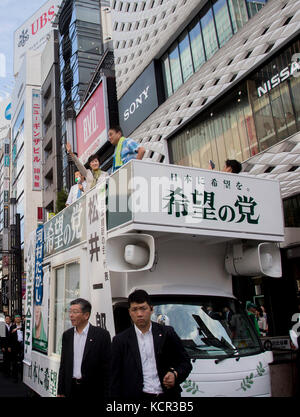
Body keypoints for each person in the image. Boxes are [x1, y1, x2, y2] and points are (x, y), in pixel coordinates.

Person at [110, 289, 192, 399]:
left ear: (151, 309)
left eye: (143, 308)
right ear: (129, 312)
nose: (139, 314)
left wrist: (175, 374)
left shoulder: (167, 333)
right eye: (135, 310)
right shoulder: (120, 340)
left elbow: (185, 362)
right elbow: (114, 378)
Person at [57, 298, 111, 398]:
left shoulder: (101, 335)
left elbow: (107, 368)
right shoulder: (67, 335)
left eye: (75, 312)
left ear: (86, 315)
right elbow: (63, 365)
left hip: (92, 389)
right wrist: (60, 390)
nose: (71, 315)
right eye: (70, 312)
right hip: (71, 388)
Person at [10, 314, 24, 383]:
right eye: (16, 318)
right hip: (15, 345)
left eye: (19, 317)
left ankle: (23, 377)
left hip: (22, 345)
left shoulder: (24, 326)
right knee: (15, 362)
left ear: (21, 319)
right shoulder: (12, 327)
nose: (18, 319)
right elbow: (10, 337)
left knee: (22, 361)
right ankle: (15, 377)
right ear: (15, 319)